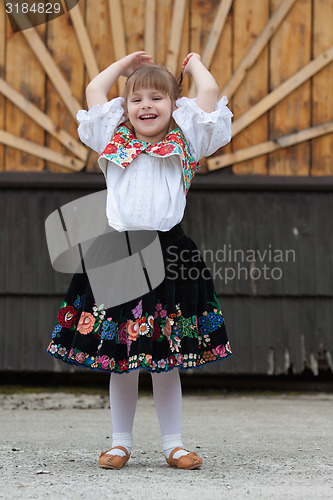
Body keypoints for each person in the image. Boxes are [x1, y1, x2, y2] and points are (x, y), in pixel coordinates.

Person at [47, 51, 233, 470]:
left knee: (166, 359)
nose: (146, 106)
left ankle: (174, 445)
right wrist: (123, 65)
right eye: (136, 99)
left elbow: (210, 92)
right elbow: (95, 91)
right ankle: (119, 443)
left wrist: (195, 64)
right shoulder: (111, 135)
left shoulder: (188, 136)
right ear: (124, 108)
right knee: (122, 356)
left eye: (157, 99)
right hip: (118, 253)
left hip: (168, 253)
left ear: (175, 106)